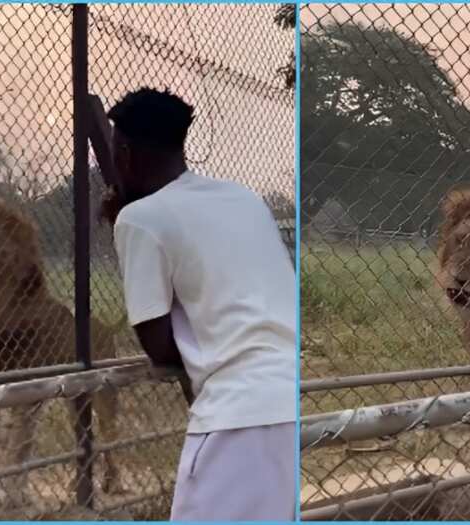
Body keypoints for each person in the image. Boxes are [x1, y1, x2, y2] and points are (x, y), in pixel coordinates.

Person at [100, 87, 296, 521]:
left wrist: (122, 228)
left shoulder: (139, 219)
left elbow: (159, 346)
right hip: (289, 400)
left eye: (115, 151)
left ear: (126, 153)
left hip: (236, 415)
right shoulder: (245, 199)